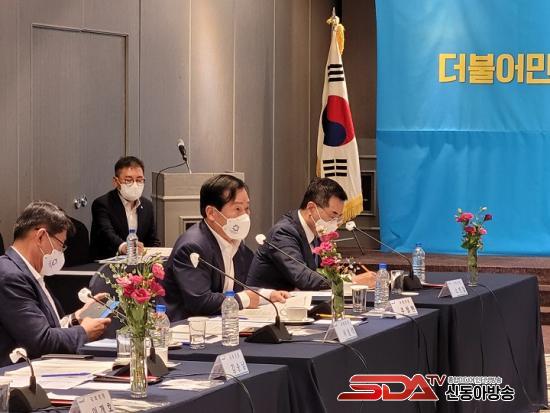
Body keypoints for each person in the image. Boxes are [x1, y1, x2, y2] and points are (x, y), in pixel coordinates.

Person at [162, 174, 289, 321]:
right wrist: (245, 299)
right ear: (211, 213)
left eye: (247, 208)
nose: (245, 216)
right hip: (183, 327)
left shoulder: (236, 244)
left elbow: (237, 290)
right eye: (237, 209)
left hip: (219, 324)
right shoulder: (192, 247)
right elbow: (200, 302)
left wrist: (266, 295)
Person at [0, 201, 111, 367]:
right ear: (41, 236)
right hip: (18, 374)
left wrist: (76, 318)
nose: (60, 252)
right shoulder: (9, 275)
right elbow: (41, 341)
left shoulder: (29, 272)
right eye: (61, 245)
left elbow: (50, 327)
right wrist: (84, 332)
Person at [248, 177, 376, 291]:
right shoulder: (283, 233)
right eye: (333, 215)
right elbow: (303, 278)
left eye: (339, 217)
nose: (336, 223)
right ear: (311, 208)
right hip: (267, 306)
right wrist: (351, 281)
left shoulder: (315, 233)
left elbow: (320, 275)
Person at [90, 156, 161, 260]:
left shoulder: (147, 205)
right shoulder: (102, 204)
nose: (135, 185)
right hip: (108, 262)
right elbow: (106, 233)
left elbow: (152, 239)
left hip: (139, 263)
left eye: (139, 180)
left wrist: (155, 257)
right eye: (128, 180)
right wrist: (124, 247)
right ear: (116, 182)